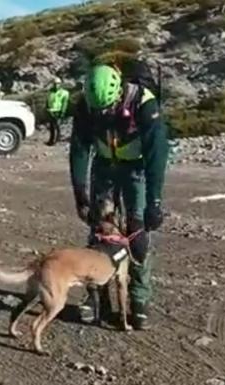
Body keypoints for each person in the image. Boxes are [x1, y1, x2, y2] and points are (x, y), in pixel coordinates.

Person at [69, 64, 169, 330]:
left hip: (136, 168)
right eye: (98, 111)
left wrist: (154, 202)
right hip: (104, 165)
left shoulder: (145, 105)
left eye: (108, 109)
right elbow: (79, 150)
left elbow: (157, 156)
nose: (103, 115)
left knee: (138, 236)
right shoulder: (86, 106)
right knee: (98, 233)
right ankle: (96, 297)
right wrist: (81, 194)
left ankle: (139, 301)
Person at [45, 77, 70, 146]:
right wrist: (47, 108)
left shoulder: (64, 93)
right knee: (52, 127)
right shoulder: (50, 92)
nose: (56, 85)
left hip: (58, 111)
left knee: (57, 127)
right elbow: (47, 100)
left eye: (58, 84)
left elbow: (64, 103)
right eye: (55, 84)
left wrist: (62, 112)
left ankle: (56, 141)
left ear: (60, 84)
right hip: (51, 111)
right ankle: (51, 140)